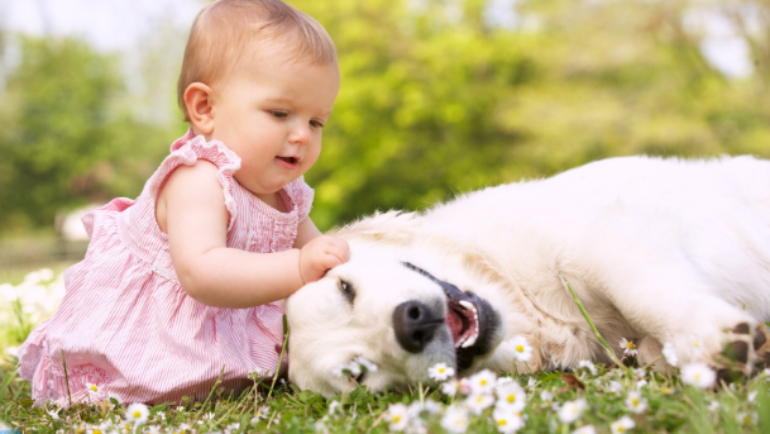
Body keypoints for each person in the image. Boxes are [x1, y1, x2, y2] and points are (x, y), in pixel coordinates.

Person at [17, 0, 349, 406]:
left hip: (218, 337)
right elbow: (202, 271)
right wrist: (300, 266)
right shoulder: (197, 177)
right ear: (204, 108)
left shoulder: (289, 194)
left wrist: (341, 263)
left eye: (317, 122)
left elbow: (323, 255)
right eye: (280, 113)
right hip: (149, 340)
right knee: (126, 388)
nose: (302, 135)